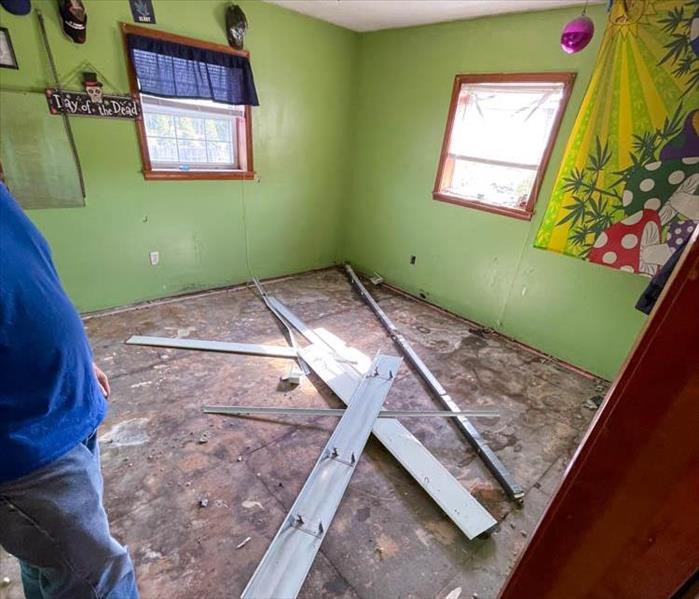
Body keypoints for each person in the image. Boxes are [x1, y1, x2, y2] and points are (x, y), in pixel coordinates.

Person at [0, 183, 139, 599]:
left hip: (67, 407)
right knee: (99, 577)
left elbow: (33, 281)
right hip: (24, 444)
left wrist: (77, 359)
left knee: (48, 561)